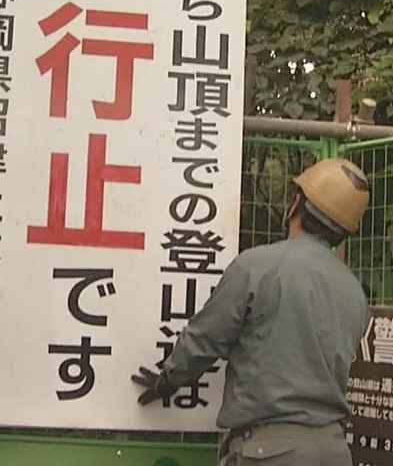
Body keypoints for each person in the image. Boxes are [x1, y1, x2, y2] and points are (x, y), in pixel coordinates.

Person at [132, 158, 372, 466]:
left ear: (296, 204)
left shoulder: (257, 266)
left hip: (270, 451)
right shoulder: (354, 291)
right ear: (343, 232)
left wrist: (167, 380)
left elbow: (205, 339)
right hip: (334, 450)